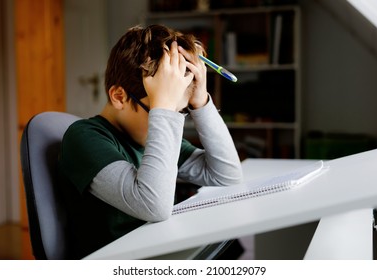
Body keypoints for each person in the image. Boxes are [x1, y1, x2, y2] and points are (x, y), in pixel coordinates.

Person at [58, 24, 243, 259]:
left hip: (160, 251)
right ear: (119, 97)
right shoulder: (83, 137)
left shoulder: (148, 138)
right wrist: (164, 108)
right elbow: (153, 206)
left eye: (180, 111)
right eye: (159, 110)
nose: (168, 122)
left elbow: (227, 176)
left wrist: (200, 101)